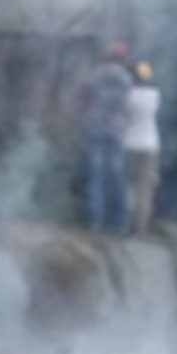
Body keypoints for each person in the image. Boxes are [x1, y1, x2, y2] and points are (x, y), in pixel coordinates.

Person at [77, 42, 134, 234]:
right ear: (122, 58)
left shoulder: (94, 75)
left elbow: (84, 98)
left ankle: (95, 223)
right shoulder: (127, 78)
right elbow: (128, 106)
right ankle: (120, 223)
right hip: (117, 131)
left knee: (96, 177)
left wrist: (86, 116)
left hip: (95, 128)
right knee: (118, 178)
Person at [123, 60, 162, 236]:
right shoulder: (155, 95)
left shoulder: (128, 95)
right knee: (145, 189)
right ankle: (141, 228)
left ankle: (126, 223)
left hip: (129, 143)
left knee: (129, 185)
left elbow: (125, 115)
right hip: (150, 144)